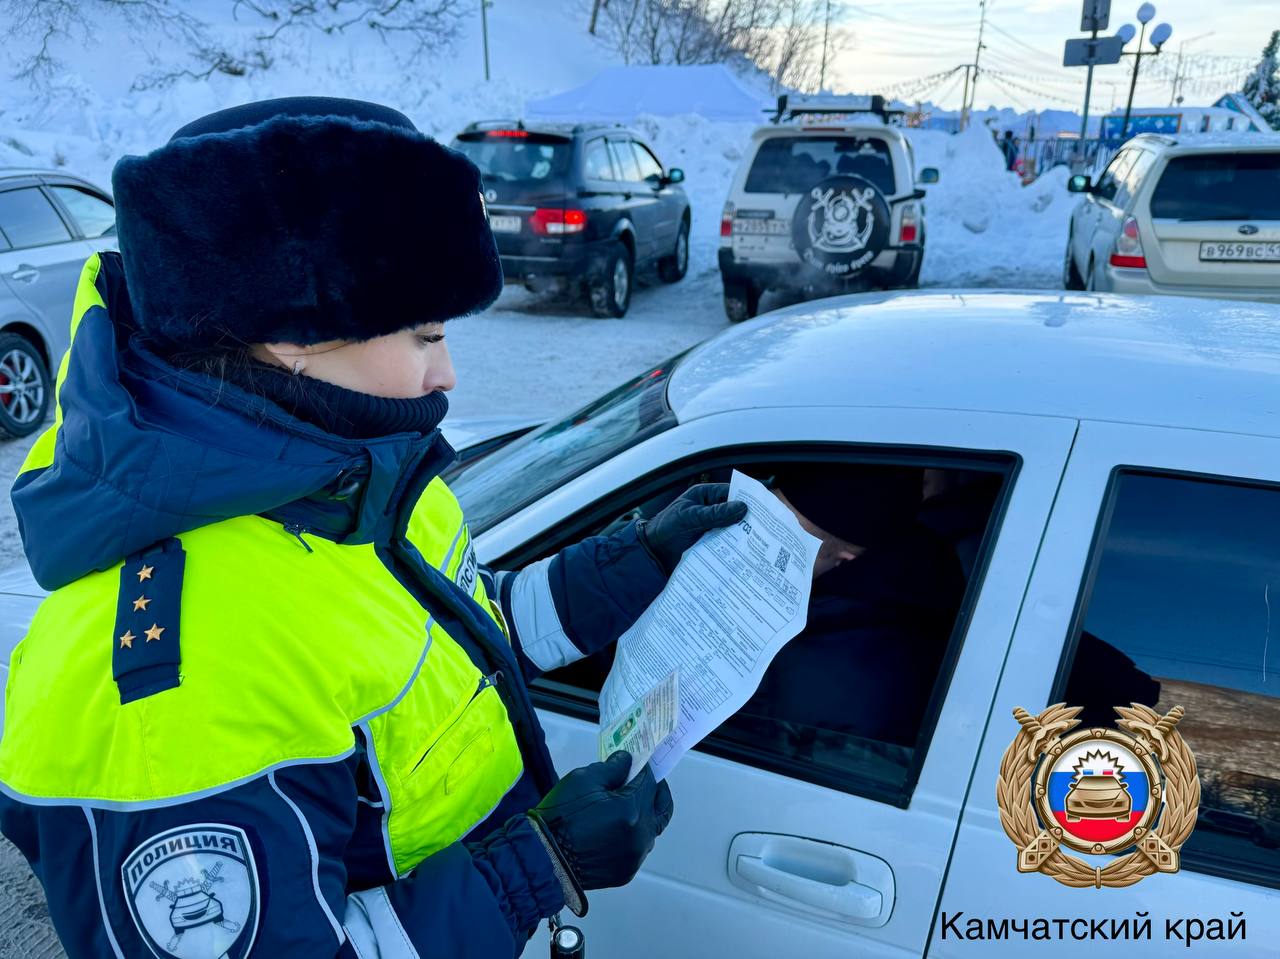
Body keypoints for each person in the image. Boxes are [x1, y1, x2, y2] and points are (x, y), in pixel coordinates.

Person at [0, 97, 747, 959]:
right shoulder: (177, 684)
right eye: (426, 333)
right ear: (289, 338)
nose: (450, 371)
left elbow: (452, 623)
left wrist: (635, 556)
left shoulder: (358, 468)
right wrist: (537, 867)